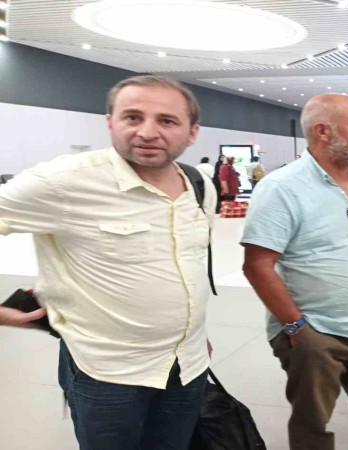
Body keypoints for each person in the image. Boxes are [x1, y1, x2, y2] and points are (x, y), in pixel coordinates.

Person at [0, 75, 216, 449]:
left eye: (167, 121)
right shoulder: (63, 182)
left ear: (192, 132)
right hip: (106, 373)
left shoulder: (199, 185)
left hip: (187, 365)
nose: (147, 132)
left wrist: (193, 334)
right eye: (132, 117)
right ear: (110, 122)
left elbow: (188, 265)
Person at [241, 93, 348, 450]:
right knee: (312, 425)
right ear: (323, 131)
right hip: (318, 333)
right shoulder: (281, 187)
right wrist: (297, 327)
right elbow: (257, 265)